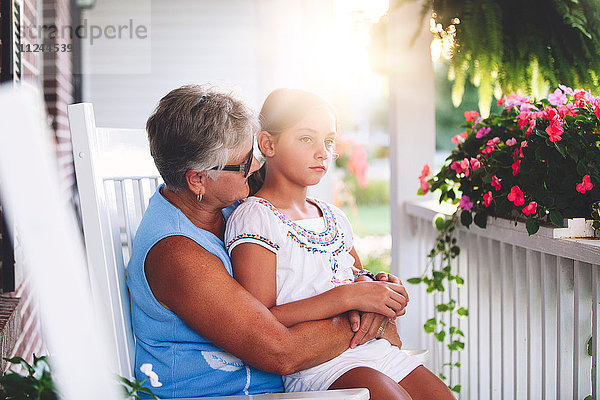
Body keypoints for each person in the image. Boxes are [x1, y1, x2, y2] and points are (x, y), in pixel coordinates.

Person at [126, 85, 408, 398]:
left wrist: (369, 286)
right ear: (197, 179)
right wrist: (368, 314)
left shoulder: (229, 206)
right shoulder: (176, 254)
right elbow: (281, 352)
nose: (257, 166)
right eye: (244, 162)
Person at [224, 88, 455, 400]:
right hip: (319, 367)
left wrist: (380, 288)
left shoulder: (334, 217)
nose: (322, 152)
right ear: (268, 144)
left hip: (374, 350)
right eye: (306, 138)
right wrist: (348, 297)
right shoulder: (256, 217)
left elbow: (358, 278)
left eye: (328, 141)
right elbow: (264, 321)